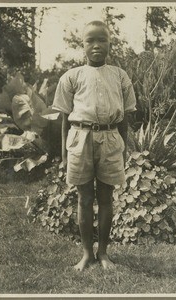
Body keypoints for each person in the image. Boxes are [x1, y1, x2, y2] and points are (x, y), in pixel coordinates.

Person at [52, 20, 136, 271]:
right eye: (91, 40)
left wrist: (123, 148)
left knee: (106, 196)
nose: (97, 45)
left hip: (111, 139)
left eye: (102, 40)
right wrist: (65, 152)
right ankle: (87, 253)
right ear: (83, 45)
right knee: (84, 197)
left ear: (110, 43)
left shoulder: (120, 76)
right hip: (80, 138)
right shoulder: (72, 76)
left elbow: (125, 119)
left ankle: (104, 253)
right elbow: (65, 119)